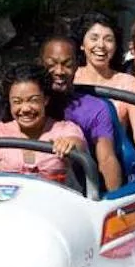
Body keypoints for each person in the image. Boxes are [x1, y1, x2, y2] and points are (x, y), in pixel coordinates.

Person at [0, 64, 85, 183]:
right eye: (17, 102)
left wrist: (69, 144)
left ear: (45, 100)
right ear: (9, 103)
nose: (25, 109)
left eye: (33, 100)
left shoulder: (64, 129)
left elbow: (77, 143)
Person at [39, 35, 123, 191]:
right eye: (51, 64)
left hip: (74, 188)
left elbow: (106, 159)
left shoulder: (94, 108)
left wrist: (113, 200)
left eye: (67, 64)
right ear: (40, 64)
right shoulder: (25, 106)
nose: (59, 71)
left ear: (77, 65)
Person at [71, 12, 135, 158]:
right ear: (81, 44)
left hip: (112, 157)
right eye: (94, 38)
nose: (101, 45)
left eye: (108, 40)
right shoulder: (69, 78)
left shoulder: (129, 84)